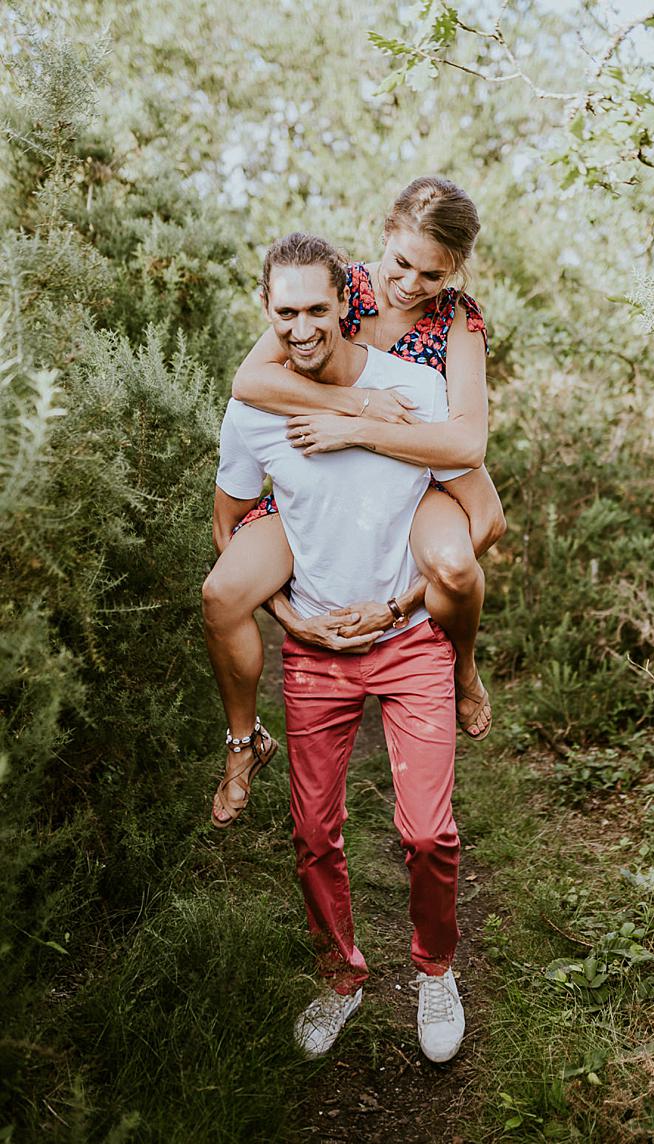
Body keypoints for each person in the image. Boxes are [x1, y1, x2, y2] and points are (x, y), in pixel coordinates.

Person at [212, 233, 468, 1063]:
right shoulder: (254, 409)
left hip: (408, 639)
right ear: (267, 313)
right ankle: (342, 977)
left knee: (427, 833)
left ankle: (435, 970)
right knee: (313, 835)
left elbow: (477, 513)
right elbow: (231, 527)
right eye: (284, 312)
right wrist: (288, 616)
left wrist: (407, 601)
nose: (301, 327)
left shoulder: (415, 388)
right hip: (315, 650)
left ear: (345, 304)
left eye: (316, 309)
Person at [204, 176, 504, 829]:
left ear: (456, 269)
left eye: (432, 272)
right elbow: (251, 380)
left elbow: (466, 440)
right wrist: (353, 403)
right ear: (384, 236)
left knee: (456, 564)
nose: (409, 284)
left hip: (412, 480)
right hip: (325, 481)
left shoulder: (458, 318)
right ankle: (243, 741)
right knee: (223, 594)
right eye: (401, 263)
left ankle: (461, 667)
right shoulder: (341, 291)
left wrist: (364, 429)